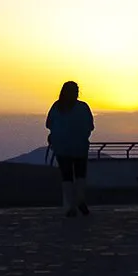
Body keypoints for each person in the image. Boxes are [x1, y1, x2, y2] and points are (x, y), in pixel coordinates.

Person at [46, 80, 94, 217]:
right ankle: (80, 200)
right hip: (80, 147)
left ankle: (69, 206)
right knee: (80, 174)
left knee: (66, 176)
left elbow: (48, 124)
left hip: (61, 147)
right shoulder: (83, 107)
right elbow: (90, 126)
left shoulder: (56, 107)